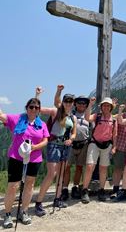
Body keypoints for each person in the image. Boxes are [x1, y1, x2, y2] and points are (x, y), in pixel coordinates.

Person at [0, 98, 49, 228]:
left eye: (36, 108)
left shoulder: (42, 124)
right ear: (26, 108)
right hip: (17, 157)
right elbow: (1, 116)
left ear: (39, 110)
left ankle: (24, 211)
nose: (33, 109)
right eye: (31, 107)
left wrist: (34, 147)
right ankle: (8, 214)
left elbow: (45, 140)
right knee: (13, 186)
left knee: (29, 184)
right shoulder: (16, 119)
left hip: (34, 158)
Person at [34, 85, 77, 216]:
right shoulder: (55, 112)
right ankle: (39, 202)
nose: (68, 104)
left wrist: (71, 139)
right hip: (53, 145)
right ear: (63, 102)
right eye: (66, 101)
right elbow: (38, 110)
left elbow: (74, 133)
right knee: (52, 173)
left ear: (73, 104)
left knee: (61, 174)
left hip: (65, 146)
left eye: (70, 102)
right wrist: (38, 96)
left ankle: (57, 199)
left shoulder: (73, 118)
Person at [81, 97, 117, 203]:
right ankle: (84, 190)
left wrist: (114, 147)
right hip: (94, 143)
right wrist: (90, 105)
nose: (106, 107)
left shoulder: (114, 120)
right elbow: (87, 118)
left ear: (111, 107)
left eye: (108, 105)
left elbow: (115, 135)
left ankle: (101, 190)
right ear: (101, 107)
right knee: (89, 166)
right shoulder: (97, 116)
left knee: (103, 168)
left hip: (107, 145)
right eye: (104, 105)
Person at [57, 94, 90, 200]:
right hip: (70, 144)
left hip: (83, 144)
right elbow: (58, 106)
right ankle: (65, 188)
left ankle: (75, 187)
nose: (82, 104)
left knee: (79, 167)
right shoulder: (70, 113)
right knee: (67, 167)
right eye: (79, 102)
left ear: (86, 105)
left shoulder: (88, 115)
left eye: (84, 103)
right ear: (75, 103)